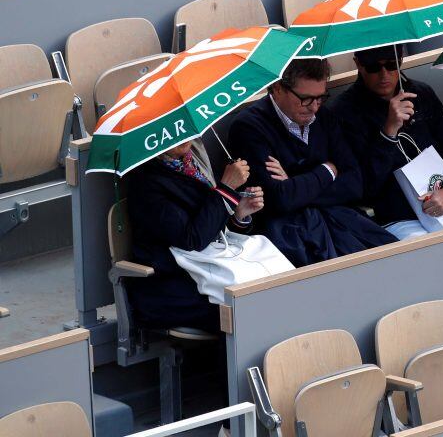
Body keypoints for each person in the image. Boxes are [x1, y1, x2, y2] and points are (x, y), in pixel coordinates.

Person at [227, 58, 397, 266]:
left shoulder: (324, 117)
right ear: (277, 88)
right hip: (291, 236)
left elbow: (355, 184)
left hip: (341, 223)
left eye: (320, 98)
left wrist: (294, 182)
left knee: (396, 259)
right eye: (306, 99)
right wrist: (327, 170)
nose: (314, 107)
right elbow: (279, 199)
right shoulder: (248, 127)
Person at [329, 45, 443, 240]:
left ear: (401, 60)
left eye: (391, 65)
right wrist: (388, 132)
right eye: (374, 67)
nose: (384, 75)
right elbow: (362, 188)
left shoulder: (421, 94)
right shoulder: (343, 112)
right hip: (397, 218)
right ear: (359, 64)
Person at [126, 138, 264, 332]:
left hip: (209, 267)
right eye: (172, 132)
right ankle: (233, 363)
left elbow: (211, 225)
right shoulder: (146, 182)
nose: (183, 138)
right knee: (245, 309)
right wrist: (226, 190)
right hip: (171, 284)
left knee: (270, 291)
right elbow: (192, 238)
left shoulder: (193, 161)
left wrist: (239, 213)